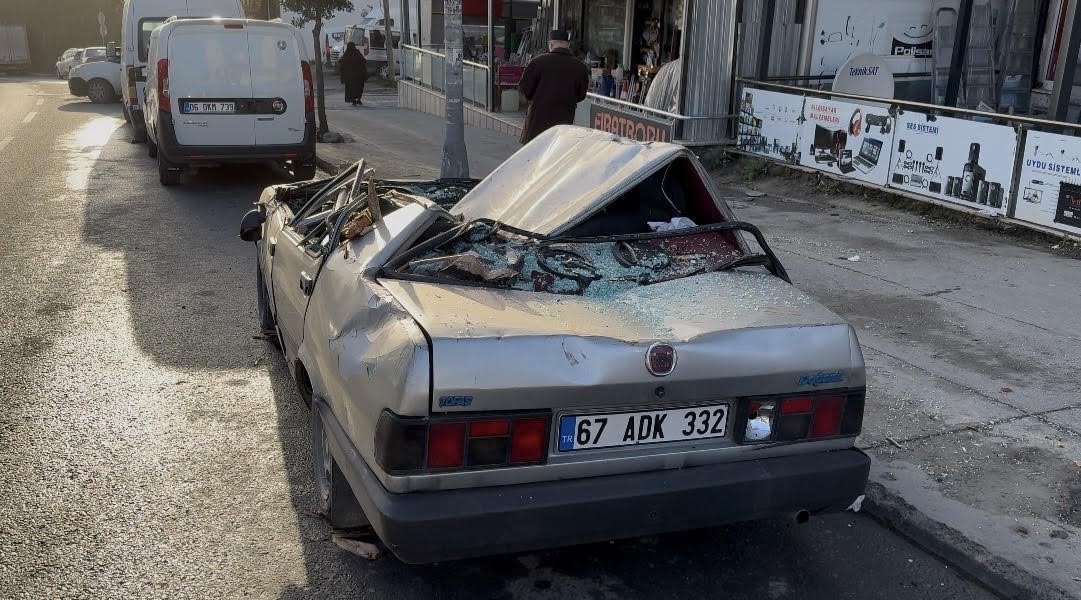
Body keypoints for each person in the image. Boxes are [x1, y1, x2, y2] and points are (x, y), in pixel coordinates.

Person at [518, 30, 589, 144]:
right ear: (568, 45)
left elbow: (524, 88)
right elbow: (581, 95)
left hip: (538, 120)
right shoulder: (580, 67)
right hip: (564, 119)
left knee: (535, 152)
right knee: (557, 152)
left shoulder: (537, 62)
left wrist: (536, 99)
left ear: (550, 44)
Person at [339, 41, 368, 106]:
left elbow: (342, 65)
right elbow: (363, 61)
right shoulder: (357, 53)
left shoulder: (346, 54)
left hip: (350, 77)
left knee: (351, 89)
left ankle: (353, 100)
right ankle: (358, 99)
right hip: (359, 76)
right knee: (359, 88)